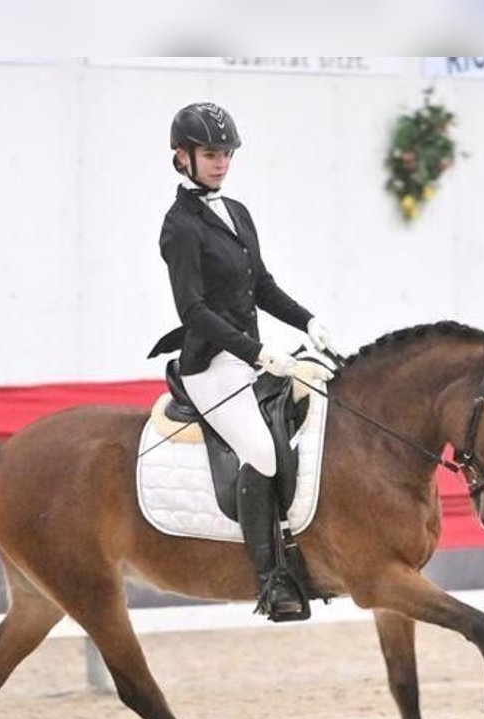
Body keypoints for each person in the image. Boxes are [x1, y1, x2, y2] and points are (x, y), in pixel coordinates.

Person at [154, 101, 339, 621]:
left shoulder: (236, 212)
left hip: (254, 361)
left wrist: (307, 322)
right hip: (212, 366)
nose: (221, 164)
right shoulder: (179, 228)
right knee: (263, 453)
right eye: (211, 154)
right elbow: (193, 310)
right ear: (182, 157)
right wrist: (256, 351)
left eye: (227, 155)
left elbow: (262, 287)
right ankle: (273, 579)